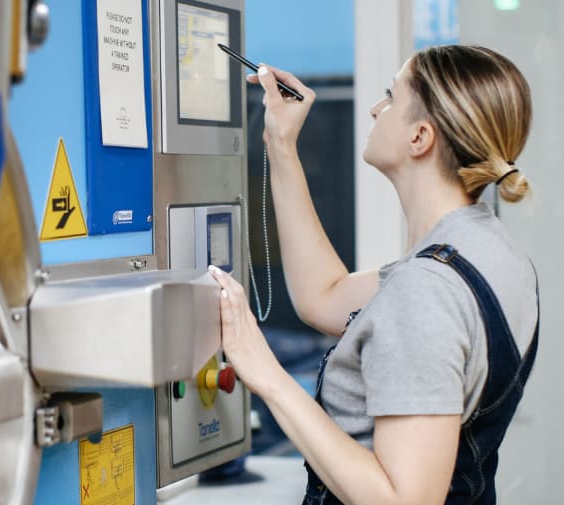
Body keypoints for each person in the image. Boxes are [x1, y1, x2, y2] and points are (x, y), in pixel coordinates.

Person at [207, 45, 539, 504]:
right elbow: (324, 296)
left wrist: (265, 373)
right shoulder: (489, 253)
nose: (376, 108)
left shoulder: (426, 291)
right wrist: (280, 145)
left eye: (391, 96)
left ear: (419, 137)